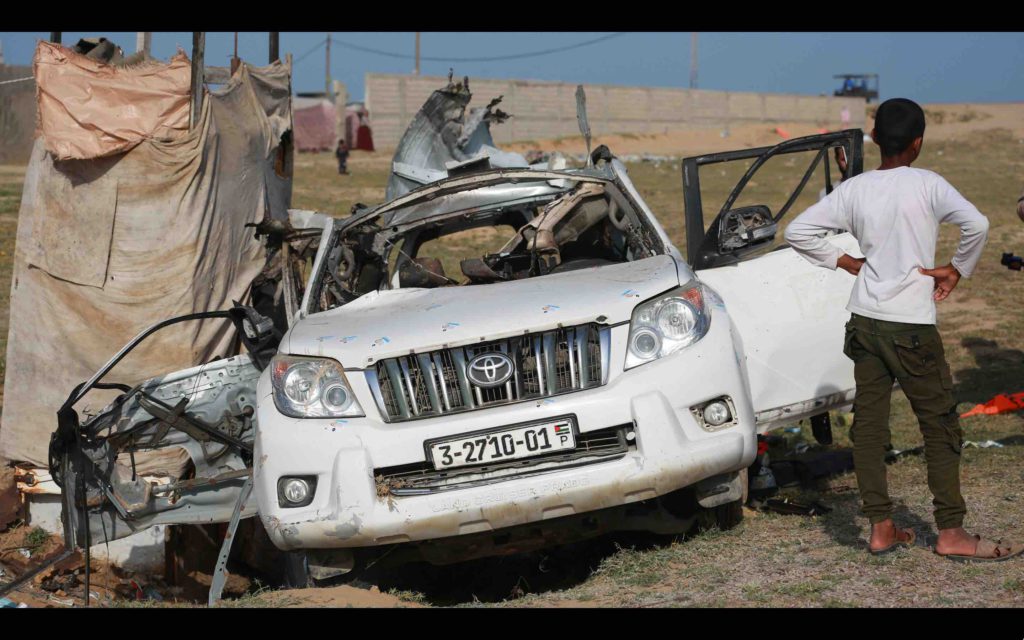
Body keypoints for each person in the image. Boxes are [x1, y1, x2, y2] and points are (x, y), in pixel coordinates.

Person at [785, 98, 1022, 562]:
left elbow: (798, 231)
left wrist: (845, 260)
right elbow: (977, 224)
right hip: (911, 327)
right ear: (918, 143)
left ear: (874, 139)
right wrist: (956, 268)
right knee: (939, 426)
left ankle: (881, 527)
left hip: (864, 322)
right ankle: (951, 532)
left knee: (870, 427)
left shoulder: (855, 189)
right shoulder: (928, 184)